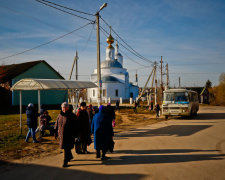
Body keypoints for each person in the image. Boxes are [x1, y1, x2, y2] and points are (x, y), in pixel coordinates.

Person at [54, 102, 78, 168]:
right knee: (66, 147)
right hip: (61, 135)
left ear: (68, 108)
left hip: (69, 135)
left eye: (65, 108)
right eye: (62, 108)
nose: (64, 109)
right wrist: (55, 132)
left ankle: (65, 161)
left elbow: (76, 126)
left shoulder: (72, 116)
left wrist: (76, 134)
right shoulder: (60, 115)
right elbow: (57, 123)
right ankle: (70, 156)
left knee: (66, 148)